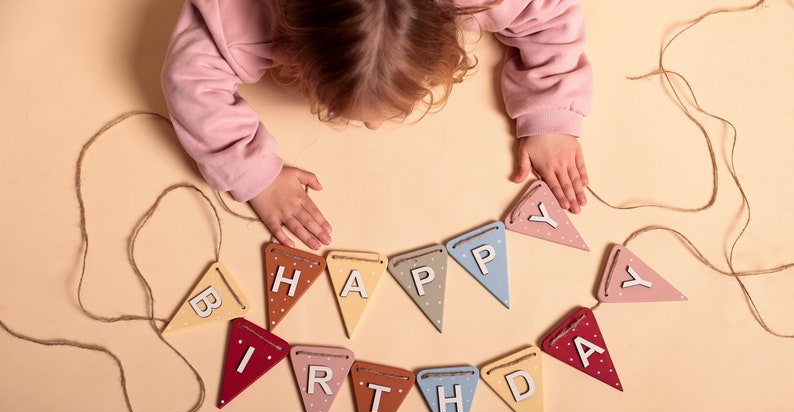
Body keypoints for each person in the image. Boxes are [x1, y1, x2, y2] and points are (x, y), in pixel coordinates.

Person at [162, 0, 592, 251]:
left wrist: (551, 112)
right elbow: (190, 79)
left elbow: (551, 18)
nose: (373, 128)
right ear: (288, 43)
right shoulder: (247, 14)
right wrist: (253, 174)